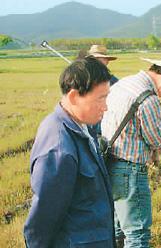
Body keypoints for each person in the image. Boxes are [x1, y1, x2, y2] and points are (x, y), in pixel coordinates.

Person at [101, 55, 161, 247]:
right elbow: (157, 140)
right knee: (137, 233)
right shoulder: (148, 99)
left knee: (116, 226)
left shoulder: (122, 84)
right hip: (130, 171)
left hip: (109, 163)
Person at [24, 57, 115, 247]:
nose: (105, 107)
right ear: (74, 97)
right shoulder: (59, 147)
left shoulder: (81, 127)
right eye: (101, 98)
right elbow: (42, 220)